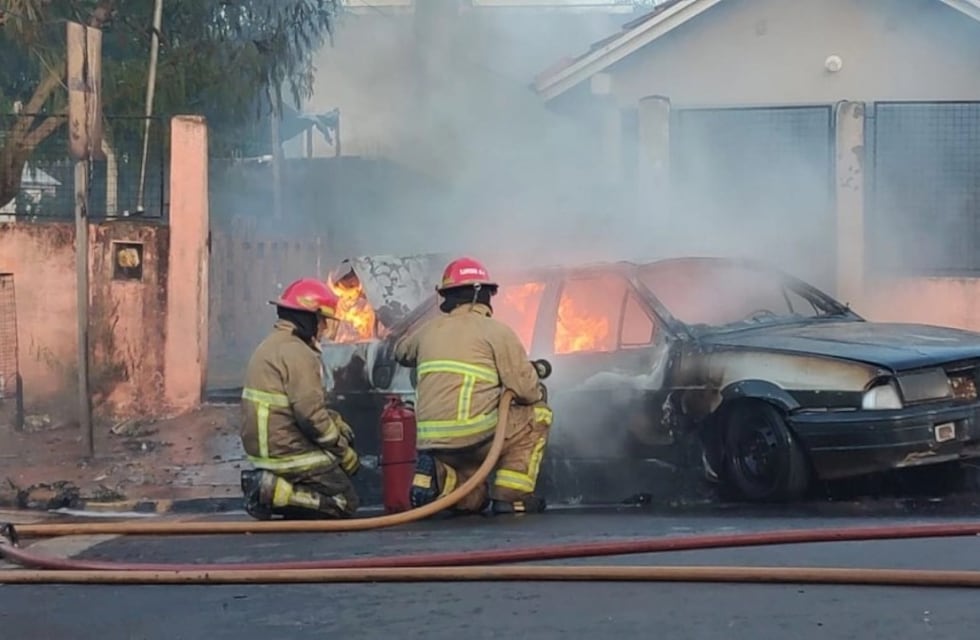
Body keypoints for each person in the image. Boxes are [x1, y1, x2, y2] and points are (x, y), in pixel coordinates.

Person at [394, 257, 553, 515]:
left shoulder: (427, 330)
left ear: (447, 296)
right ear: (481, 292)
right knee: (539, 413)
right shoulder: (496, 332)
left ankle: (441, 477)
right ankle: (510, 496)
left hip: (432, 442)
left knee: (474, 499)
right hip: (475, 436)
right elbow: (525, 390)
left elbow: (400, 352)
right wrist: (533, 375)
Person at [239, 278, 362, 520]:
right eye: (322, 321)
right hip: (287, 453)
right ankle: (271, 490)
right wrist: (341, 450)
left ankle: (280, 490)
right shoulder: (299, 353)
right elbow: (310, 416)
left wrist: (335, 422)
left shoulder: (271, 345)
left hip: (267, 448)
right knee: (345, 501)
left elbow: (299, 405)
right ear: (309, 318)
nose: (324, 329)